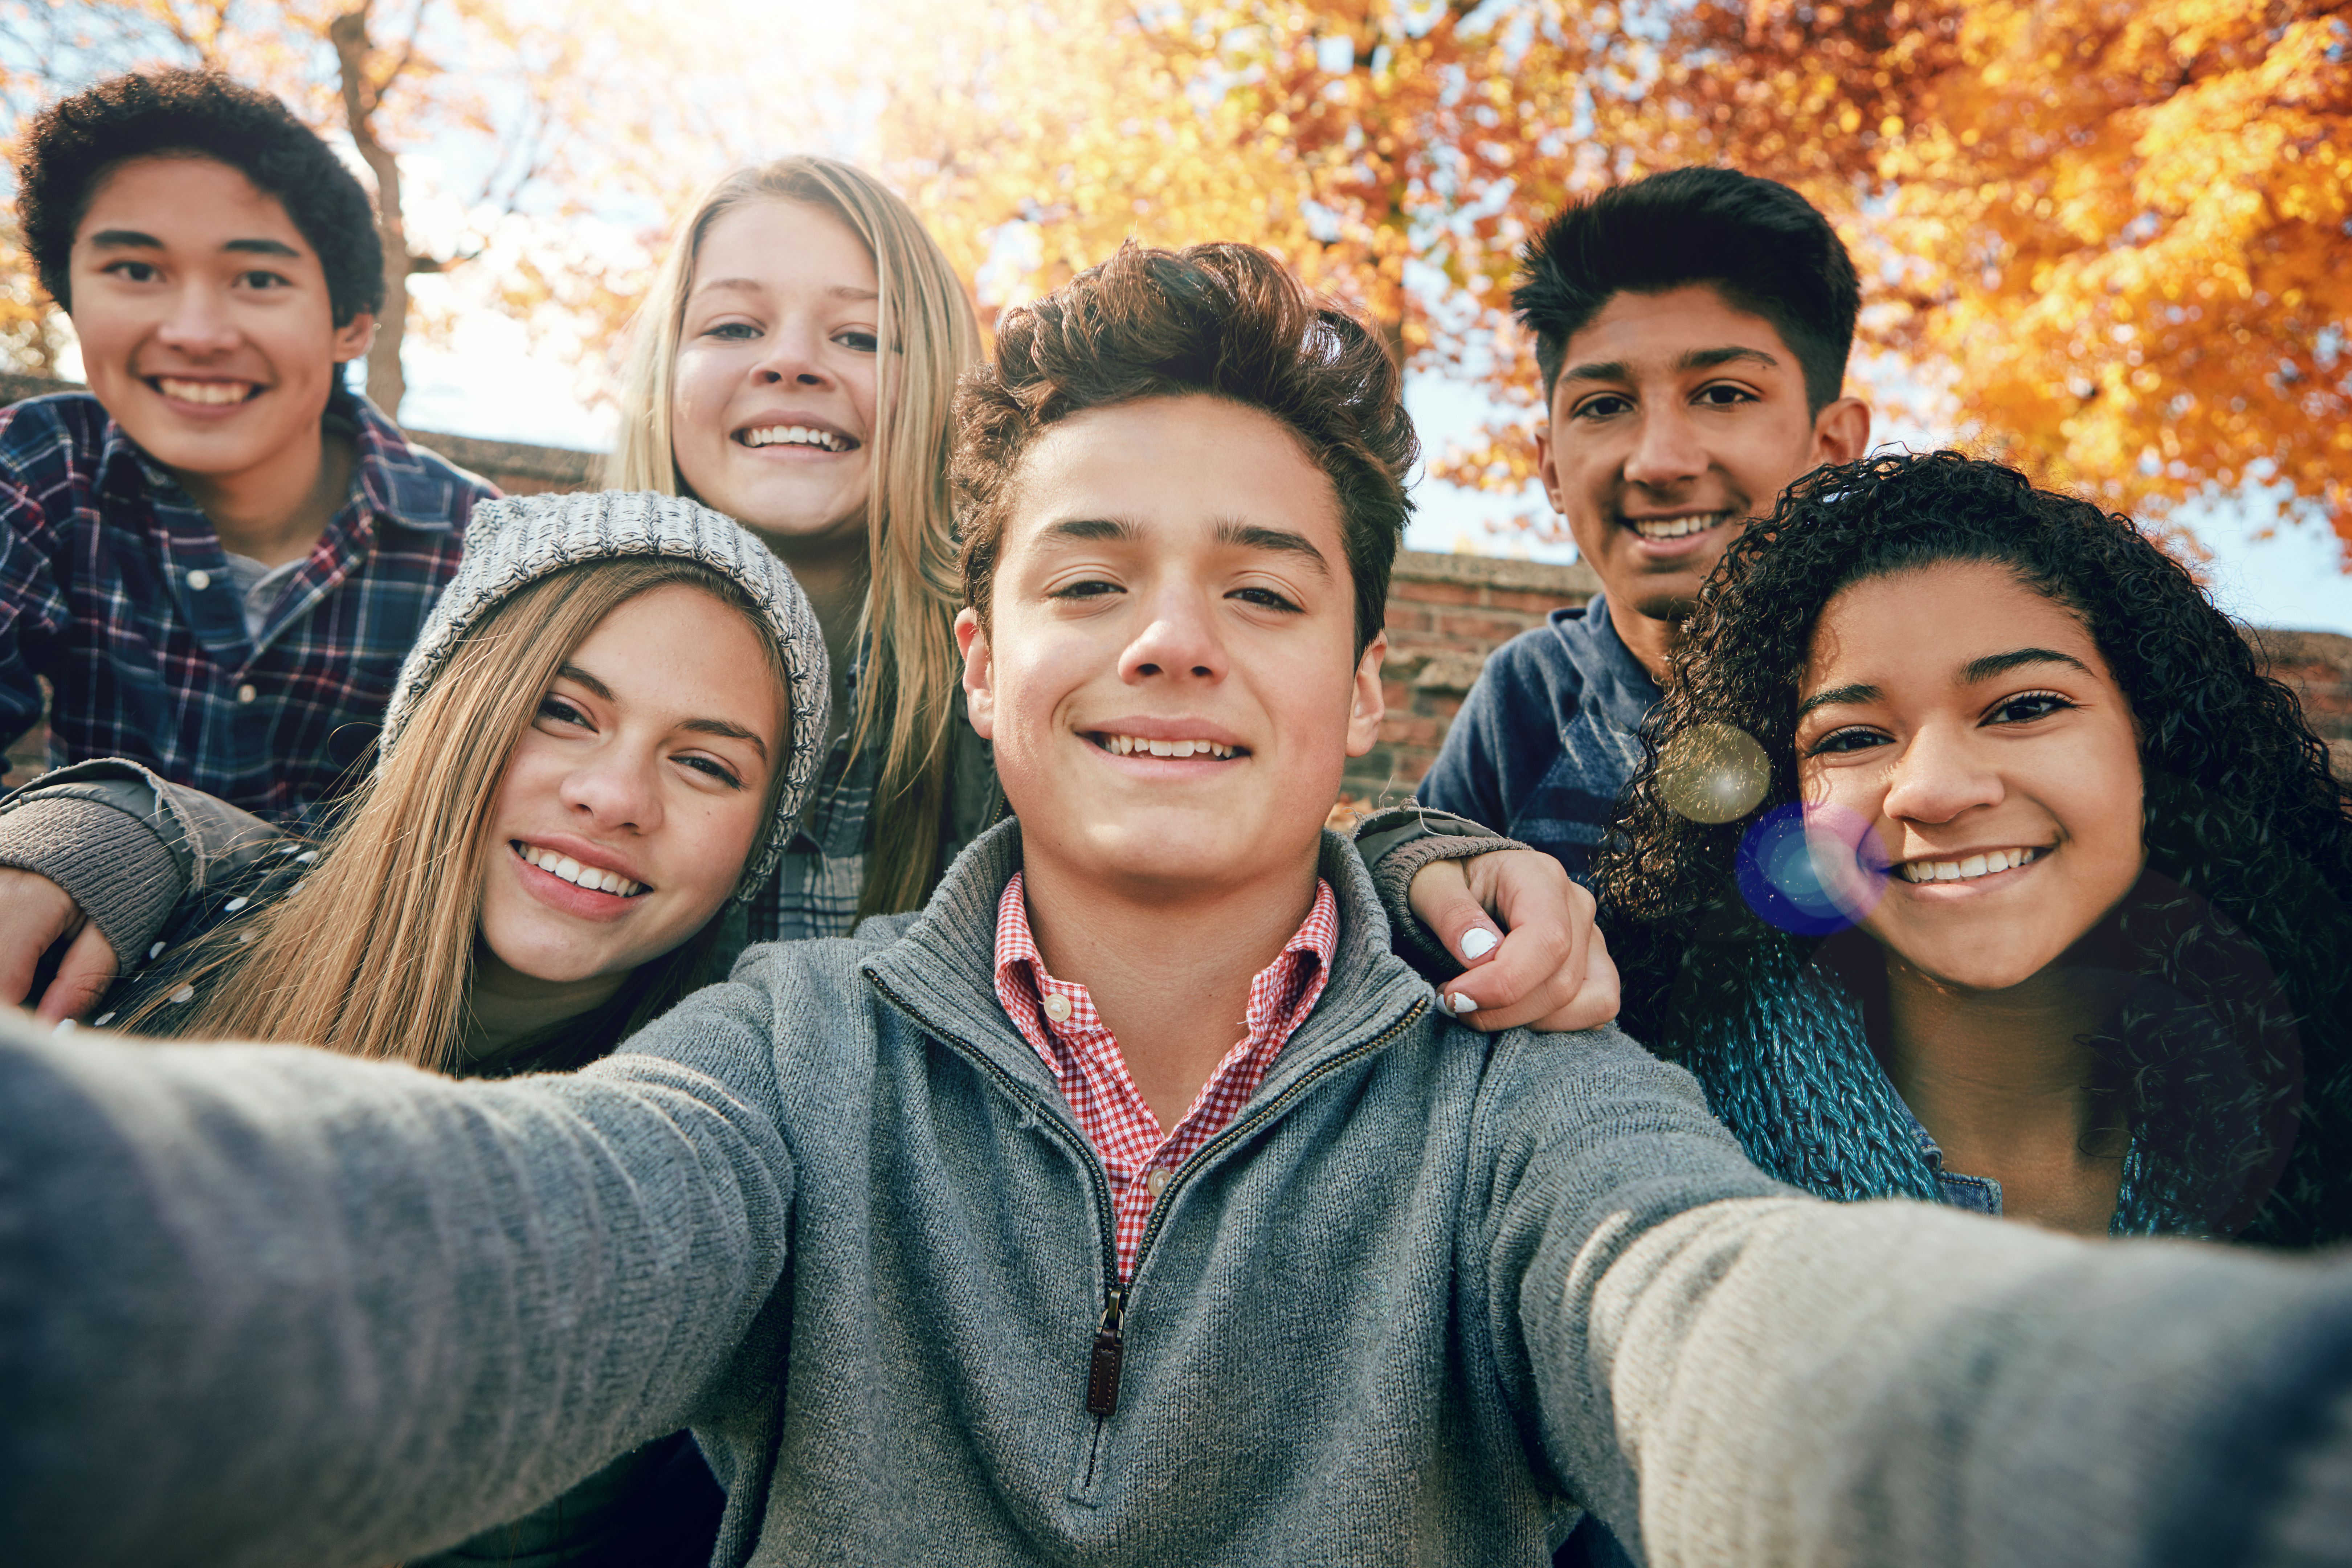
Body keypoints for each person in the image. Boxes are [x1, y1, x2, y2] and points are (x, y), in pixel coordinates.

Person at [7, 242, 2352, 1568]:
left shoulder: (1532, 1101)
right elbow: (495, 1243)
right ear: (978, 665)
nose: (1169, 644)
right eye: (1091, 579)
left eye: (1261, 589)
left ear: (1365, 689)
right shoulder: (790, 1053)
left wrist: (2191, 1451)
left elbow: (1725, 1324)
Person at [0, 153, 1613, 1036]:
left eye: (860, 333)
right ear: (668, 368)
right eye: (736, 325)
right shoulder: (520, 586)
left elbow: (1204, 810)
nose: (792, 363)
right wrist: (122, 830)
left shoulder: (1007, 685)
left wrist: (1422, 859)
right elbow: (356, 846)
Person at [80, 485, 826, 1568]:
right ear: (449, 710)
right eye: (562, 711)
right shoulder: (138, 942)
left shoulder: (703, 1170)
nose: (616, 797)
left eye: (707, 764)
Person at [1596, 450, 2352, 1245]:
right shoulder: (1625, 1112)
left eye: (2024, 708)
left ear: (2156, 742)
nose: (1934, 790)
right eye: (1851, 738)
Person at [0, 69, 495, 823]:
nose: (196, 333)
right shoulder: (40, 465)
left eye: (259, 279)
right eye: (136, 271)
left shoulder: (473, 547)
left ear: (351, 325)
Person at [1414, 166, 1871, 883]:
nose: (1658, 462)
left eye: (1723, 395)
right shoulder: (1528, 705)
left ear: (1834, 449)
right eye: (1604, 406)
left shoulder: (1909, 685)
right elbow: (1408, 910)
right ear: (1552, 470)